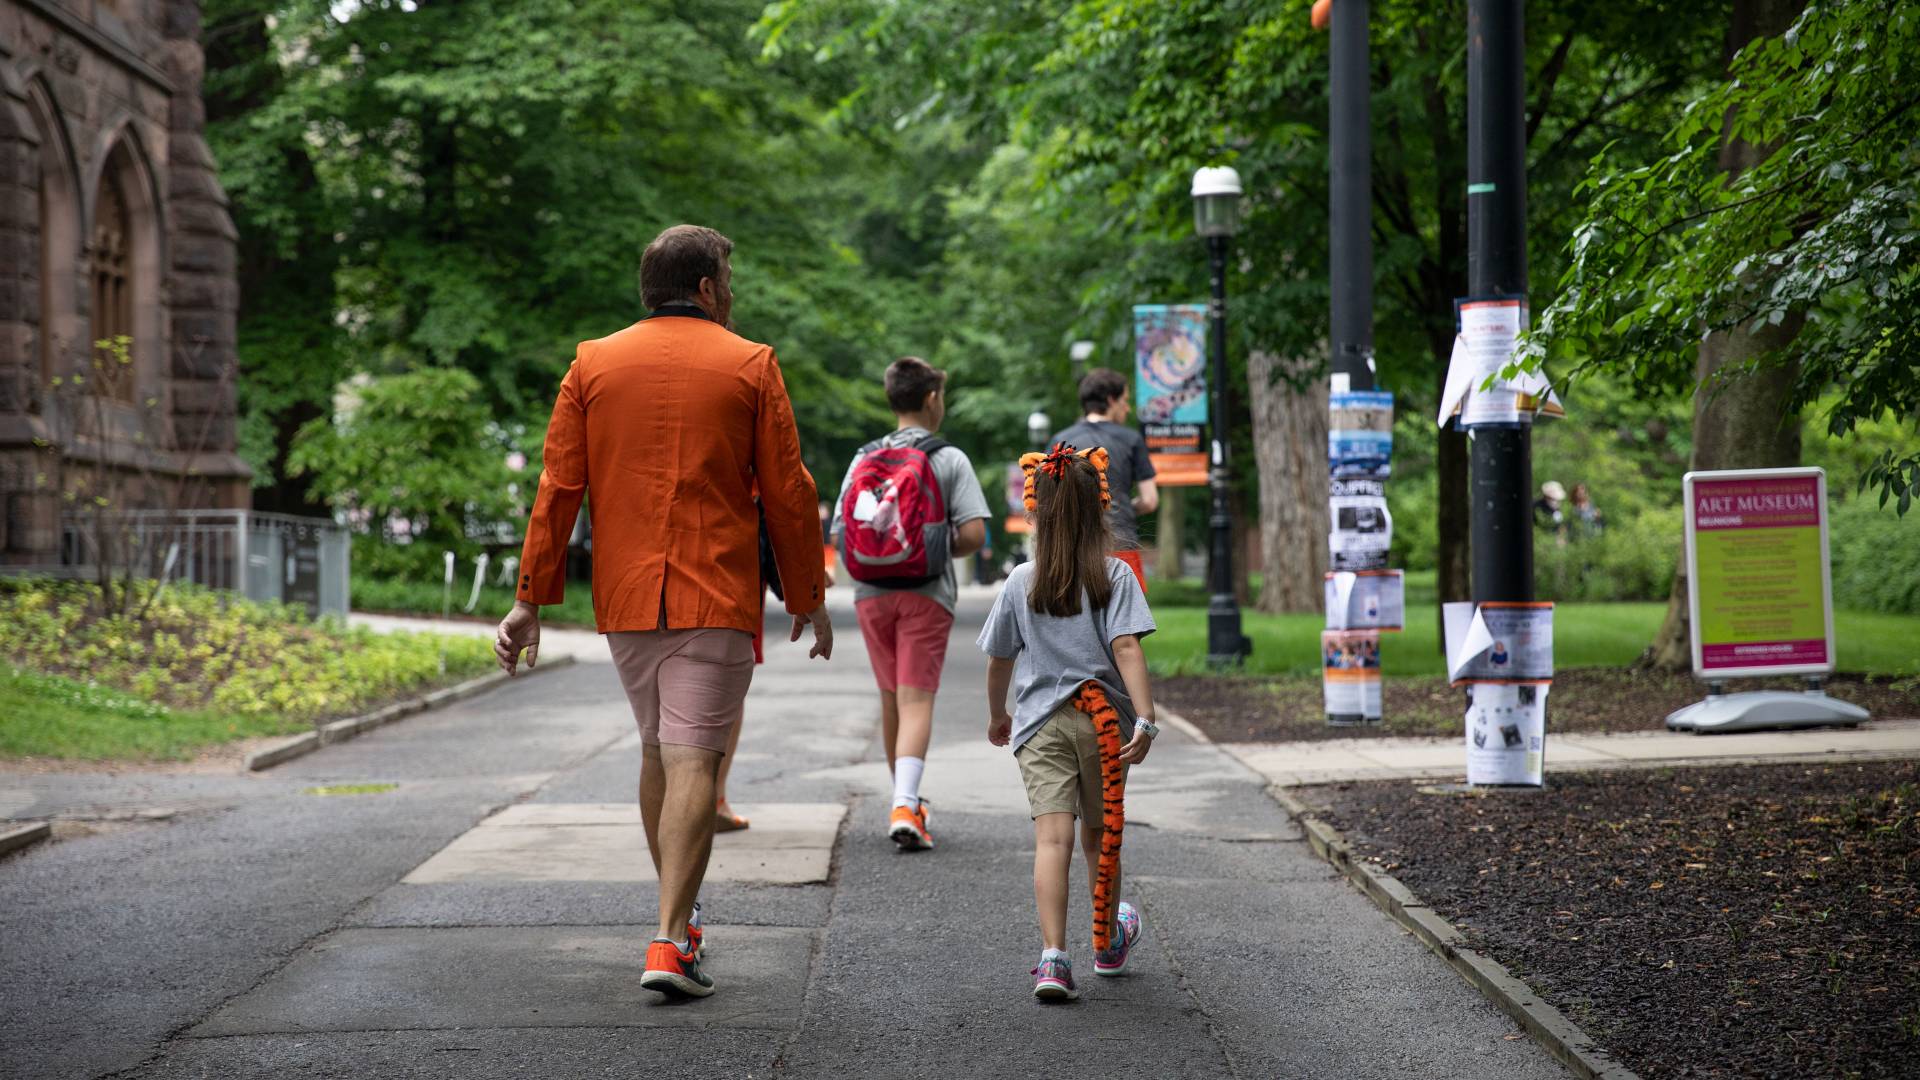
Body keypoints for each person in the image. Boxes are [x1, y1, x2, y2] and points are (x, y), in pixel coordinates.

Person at [494, 224, 833, 1000]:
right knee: (691, 760)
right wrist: (809, 597)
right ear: (708, 288)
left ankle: (678, 920)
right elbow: (789, 492)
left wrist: (528, 600)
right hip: (715, 588)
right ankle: (670, 938)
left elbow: (558, 489)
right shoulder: (750, 363)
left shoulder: (593, 363)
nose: (734, 294)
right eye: (730, 280)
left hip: (625, 593)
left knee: (658, 750)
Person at [979, 444, 1158, 1002]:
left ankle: (1054, 959)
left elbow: (999, 659)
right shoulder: (1115, 576)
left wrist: (997, 714)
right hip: (1104, 723)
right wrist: (1145, 719)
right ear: (1099, 508)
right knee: (1100, 839)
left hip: (1041, 726)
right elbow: (1126, 646)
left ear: (1035, 512)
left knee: (1051, 841)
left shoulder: (1021, 580)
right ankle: (1106, 945)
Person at [831, 357, 990, 850]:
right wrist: (933, 545)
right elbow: (974, 534)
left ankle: (907, 798)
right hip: (926, 594)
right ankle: (905, 804)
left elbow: (840, 532)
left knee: (891, 698)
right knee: (917, 697)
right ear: (931, 399)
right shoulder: (948, 458)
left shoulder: (864, 458)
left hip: (871, 596)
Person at [1048, 368, 1158, 592]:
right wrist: (1122, 505)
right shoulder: (1131, 439)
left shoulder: (1060, 441)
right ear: (1111, 400)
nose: (1127, 408)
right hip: (1121, 540)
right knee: (1129, 620)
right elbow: (1149, 500)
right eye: (1124, 401)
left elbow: (1049, 499)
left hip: (1073, 546)